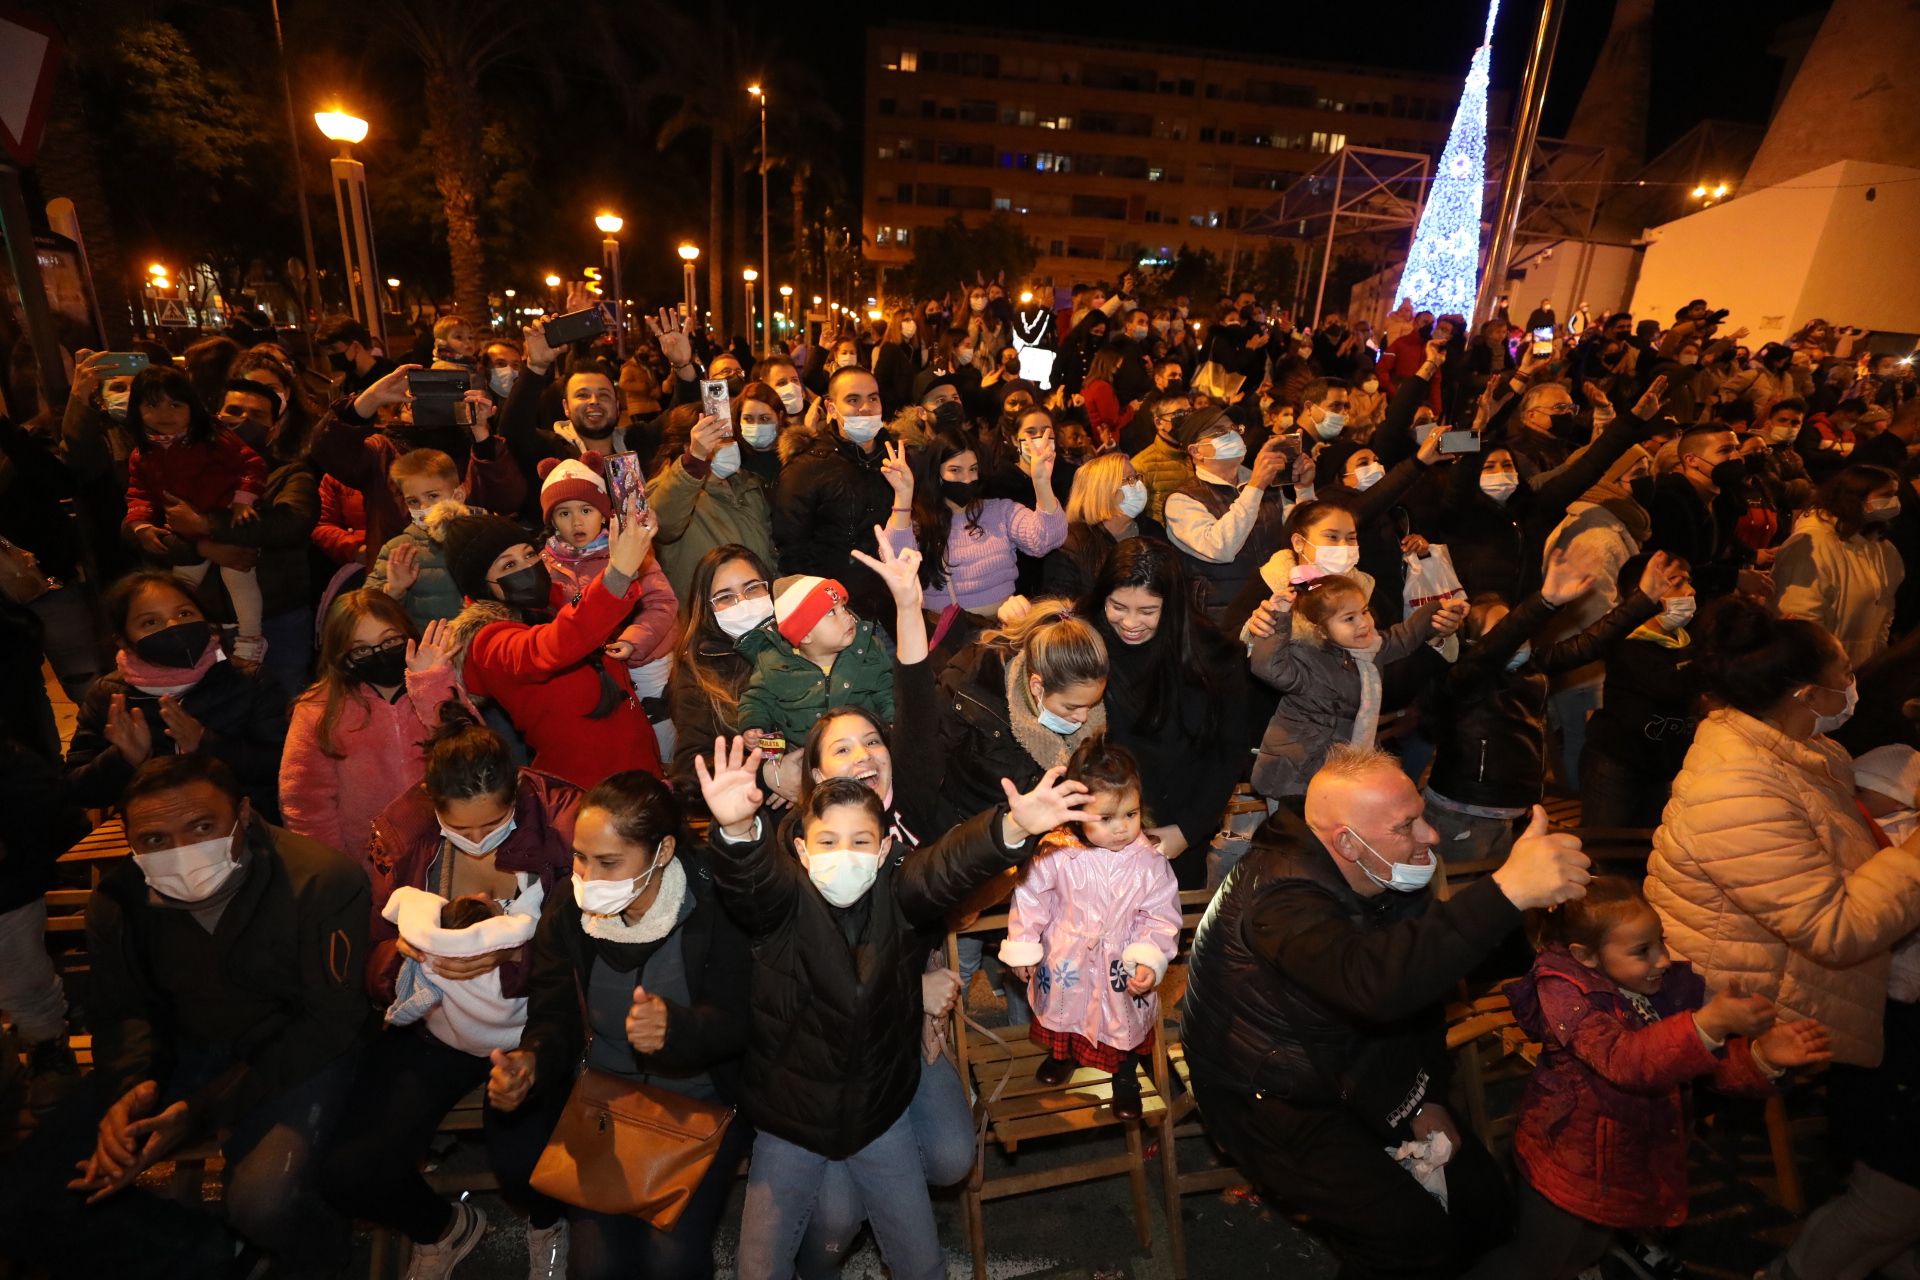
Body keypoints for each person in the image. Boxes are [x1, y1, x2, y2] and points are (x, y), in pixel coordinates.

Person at [694, 734, 1101, 1280]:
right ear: (801, 849)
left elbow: (949, 866)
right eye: (829, 841)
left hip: (878, 1115)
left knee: (921, 1263)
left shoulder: (901, 895)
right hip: (788, 1122)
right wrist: (738, 831)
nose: (846, 854)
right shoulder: (781, 903)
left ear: (884, 850)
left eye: (862, 841)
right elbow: (748, 882)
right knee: (758, 1269)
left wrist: (1012, 829)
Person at [1179, 745, 1592, 1280]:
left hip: (1352, 1062)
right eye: (1408, 826)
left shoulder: (1387, 871)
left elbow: (1416, 987)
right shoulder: (1279, 899)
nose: (1431, 836)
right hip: (1267, 1095)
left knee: (1486, 1209)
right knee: (1410, 1243)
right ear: (1347, 843)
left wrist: (1423, 1099)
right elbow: (1372, 984)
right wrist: (1506, 892)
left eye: (1421, 816)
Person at [0, 755, 368, 1277]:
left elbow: (329, 1023)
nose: (182, 852)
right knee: (26, 1200)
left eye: (202, 827)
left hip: (293, 1052)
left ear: (243, 815)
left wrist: (198, 1110)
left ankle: (319, 1257)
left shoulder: (320, 881)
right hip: (182, 1050)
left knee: (265, 1201)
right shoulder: (118, 900)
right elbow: (122, 1009)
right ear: (128, 839)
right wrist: (134, 1085)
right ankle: (210, 1252)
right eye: (153, 840)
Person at [320, 709, 581, 1279]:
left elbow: (592, 949)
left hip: (533, 1025)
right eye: (461, 829)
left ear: (519, 794)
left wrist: (516, 955)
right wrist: (404, 959)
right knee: (351, 1167)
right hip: (436, 1025)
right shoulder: (408, 835)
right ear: (434, 805)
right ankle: (442, 1228)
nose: (479, 839)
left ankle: (547, 1224)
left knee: (524, 1163)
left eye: (495, 823)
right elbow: (373, 952)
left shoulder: (563, 828)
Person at [1482, 879, 1828, 1280]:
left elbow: (1697, 1068)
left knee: (1585, 1251)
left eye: (1660, 943)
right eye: (1642, 951)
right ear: (1586, 956)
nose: (1663, 960)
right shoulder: (1568, 995)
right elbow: (1627, 1061)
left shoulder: (1655, 991)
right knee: (1534, 1261)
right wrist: (1706, 1024)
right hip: (1567, 1163)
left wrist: (1760, 1058)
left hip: (1621, 1164)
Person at [483, 768, 754, 1280]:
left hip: (702, 1109)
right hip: (605, 1106)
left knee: (670, 1263)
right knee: (595, 1268)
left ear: (664, 851)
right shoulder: (569, 909)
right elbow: (554, 1012)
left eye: (609, 862)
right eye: (581, 858)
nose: (588, 877)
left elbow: (741, 1020)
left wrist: (678, 1030)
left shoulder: (713, 904)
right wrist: (532, 1060)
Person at [1422, 551, 1677, 863]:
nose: (1519, 633)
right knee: (1461, 902)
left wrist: (1644, 598)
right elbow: (1500, 644)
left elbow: (1590, 643)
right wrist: (1543, 603)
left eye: (1515, 621)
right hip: (1466, 817)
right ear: (1477, 644)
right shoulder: (1463, 679)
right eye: (1504, 627)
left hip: (1518, 815)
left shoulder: (1531, 667)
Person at [1001, 735, 1180, 1120]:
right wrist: (1024, 942)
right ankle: (1062, 1055)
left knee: (1121, 1021)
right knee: (1066, 1012)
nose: (1121, 828)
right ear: (1079, 812)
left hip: (1122, 960)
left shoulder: (1149, 862)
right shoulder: (1058, 852)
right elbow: (1031, 897)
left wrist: (1149, 956)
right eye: (1107, 818)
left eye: (1130, 814)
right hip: (1067, 956)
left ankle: (1125, 1075)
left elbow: (1160, 915)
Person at [434, 507, 665, 788]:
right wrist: (618, 572)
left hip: (642, 774)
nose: (526, 568)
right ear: (480, 585)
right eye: (508, 566)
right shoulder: (487, 642)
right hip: (586, 796)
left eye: (529, 555)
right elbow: (549, 647)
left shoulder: (557, 605)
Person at [1083, 538, 1246, 885]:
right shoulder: (1083, 644)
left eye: (1147, 611)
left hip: (1174, 829)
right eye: (1118, 607)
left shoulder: (1210, 655)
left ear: (1171, 607)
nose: (1130, 623)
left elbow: (1228, 752)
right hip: (1093, 829)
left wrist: (1189, 828)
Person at [66, 570, 289, 816]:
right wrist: (123, 759)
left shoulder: (249, 680)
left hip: (243, 823)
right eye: (150, 622)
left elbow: (284, 764)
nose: (173, 626)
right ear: (123, 640)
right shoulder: (109, 696)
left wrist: (208, 744)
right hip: (155, 831)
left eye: (184, 613)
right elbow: (77, 789)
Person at [277, 589, 459, 870]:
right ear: (344, 657)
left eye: (390, 641)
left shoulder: (436, 684)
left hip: (452, 852)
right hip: (370, 866)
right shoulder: (318, 710)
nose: (380, 654)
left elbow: (473, 754)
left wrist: (431, 685)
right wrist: (339, 871)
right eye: (362, 649)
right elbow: (306, 805)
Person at [1249, 567, 1460, 803]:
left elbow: (1404, 636)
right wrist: (1279, 620)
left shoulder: (1368, 648)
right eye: (1349, 618)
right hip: (1295, 774)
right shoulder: (1309, 657)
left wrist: (1437, 611)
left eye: (1365, 611)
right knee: (1294, 835)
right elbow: (1268, 667)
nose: (1364, 623)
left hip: (1339, 770)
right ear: (1322, 630)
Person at [120, 363, 270, 664]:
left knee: (238, 574)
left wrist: (242, 500)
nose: (165, 414)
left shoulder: (213, 438)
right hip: (183, 533)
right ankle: (195, 636)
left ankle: (251, 637)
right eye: (152, 405)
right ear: (137, 410)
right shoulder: (142, 454)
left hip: (224, 521)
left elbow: (251, 465)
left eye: (175, 404)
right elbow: (139, 493)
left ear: (193, 406)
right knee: (180, 586)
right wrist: (139, 524)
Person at [535, 454, 682, 757]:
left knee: (661, 730)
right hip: (592, 671)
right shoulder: (546, 564)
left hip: (645, 662)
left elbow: (662, 603)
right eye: (563, 513)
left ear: (603, 514)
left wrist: (632, 641)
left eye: (586, 510)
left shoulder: (630, 549)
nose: (576, 521)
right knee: (620, 736)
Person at [309, 362, 525, 563]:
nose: (430, 402)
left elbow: (507, 499)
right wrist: (372, 398)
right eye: (420, 395)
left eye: (444, 394)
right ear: (403, 406)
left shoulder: (473, 451)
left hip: (466, 575)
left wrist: (480, 432)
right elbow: (327, 450)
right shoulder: (381, 450)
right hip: (394, 576)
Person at [886, 423, 1067, 616]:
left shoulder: (1000, 511)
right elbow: (895, 562)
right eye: (955, 470)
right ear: (936, 473)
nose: (966, 479)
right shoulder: (919, 522)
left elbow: (1046, 539)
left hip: (1003, 630)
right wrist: (903, 495)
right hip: (949, 638)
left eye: (973, 469)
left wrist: (1041, 482)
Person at [0, 727, 91, 1110]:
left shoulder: (9, 758)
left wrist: (10, 838)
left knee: (24, 978)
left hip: (7, 890)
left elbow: (54, 808)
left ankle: (48, 1046)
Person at [1577, 556, 1702, 829]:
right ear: (1645, 591)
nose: (1690, 591)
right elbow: (1670, 686)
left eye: (1689, 582)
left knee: (1645, 850)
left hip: (1660, 765)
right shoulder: (1628, 641)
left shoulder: (1684, 638)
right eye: (1677, 584)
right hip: (1617, 763)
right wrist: (1712, 664)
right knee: (1604, 848)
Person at [772, 365, 898, 622]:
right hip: (836, 611)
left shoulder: (898, 457)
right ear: (831, 408)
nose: (865, 408)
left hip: (893, 605)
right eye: (853, 400)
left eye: (873, 398)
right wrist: (823, 609)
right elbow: (792, 549)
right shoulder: (808, 467)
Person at [1161, 405, 1299, 619]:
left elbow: (1302, 534)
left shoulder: (1265, 485)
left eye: (1234, 428)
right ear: (1196, 451)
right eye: (1220, 431)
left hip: (1277, 608)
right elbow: (1221, 548)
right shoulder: (1182, 500)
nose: (1233, 435)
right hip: (1222, 621)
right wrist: (1255, 487)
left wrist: (1304, 488)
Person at [665, 545, 777, 805]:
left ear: (769, 588)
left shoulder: (806, 642)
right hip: (752, 816)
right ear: (707, 609)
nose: (744, 604)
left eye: (752, 589)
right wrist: (768, 777)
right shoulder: (697, 670)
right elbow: (691, 768)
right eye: (725, 597)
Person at [735, 569, 896, 749]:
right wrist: (753, 726)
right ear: (805, 636)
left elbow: (886, 690)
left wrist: (892, 722)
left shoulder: (868, 650)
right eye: (831, 613)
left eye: (843, 607)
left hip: (862, 749)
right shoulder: (773, 664)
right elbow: (756, 699)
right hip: (803, 758)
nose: (847, 616)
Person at [1771, 463, 1904, 666]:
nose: (1893, 502)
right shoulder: (1812, 545)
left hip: (1862, 668)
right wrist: (1828, 666)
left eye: (1895, 494)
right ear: (1856, 497)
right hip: (1822, 668)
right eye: (1886, 495)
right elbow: (1800, 616)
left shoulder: (1882, 548)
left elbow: (1884, 609)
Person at [649, 395, 779, 599]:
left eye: (728, 436)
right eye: (714, 438)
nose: (727, 445)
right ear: (687, 446)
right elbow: (664, 524)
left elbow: (770, 556)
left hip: (757, 609)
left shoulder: (747, 486)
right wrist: (694, 462)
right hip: (706, 618)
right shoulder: (668, 489)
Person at [365, 448, 473, 627]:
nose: (423, 506)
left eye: (432, 496)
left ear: (459, 495)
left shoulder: (485, 536)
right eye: (413, 501)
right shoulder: (397, 550)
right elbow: (368, 610)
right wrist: (394, 590)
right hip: (426, 649)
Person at [1042, 451, 1164, 601]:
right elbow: (1061, 609)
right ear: (1103, 490)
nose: (1138, 485)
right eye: (1129, 479)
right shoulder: (1070, 544)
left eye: (1137, 477)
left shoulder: (1153, 530)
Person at [319, 314, 396, 397]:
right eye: (327, 351)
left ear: (356, 346)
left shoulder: (392, 376)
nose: (330, 355)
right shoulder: (346, 383)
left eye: (334, 348)